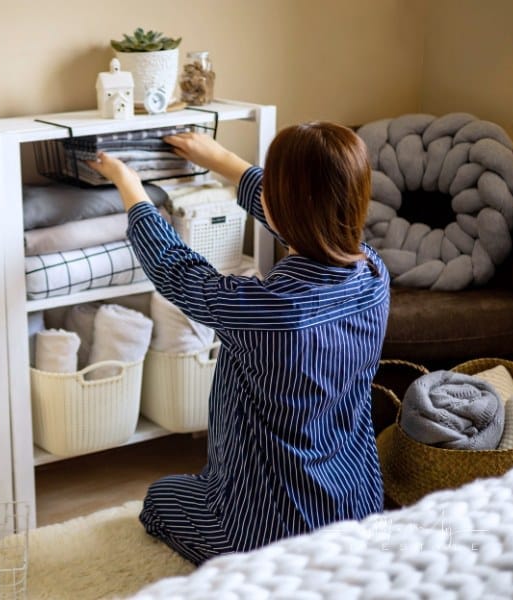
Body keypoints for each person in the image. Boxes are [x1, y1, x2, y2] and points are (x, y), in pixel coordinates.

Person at [85, 122, 390, 566]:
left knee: (159, 500)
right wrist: (219, 160)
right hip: (356, 510)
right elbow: (304, 220)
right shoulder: (375, 276)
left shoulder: (266, 311)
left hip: (266, 536)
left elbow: (176, 268)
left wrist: (128, 185)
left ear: (283, 207)